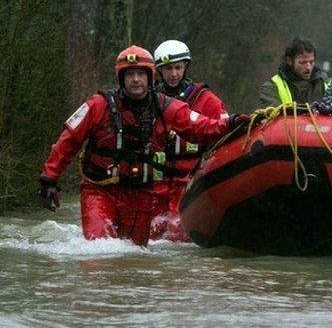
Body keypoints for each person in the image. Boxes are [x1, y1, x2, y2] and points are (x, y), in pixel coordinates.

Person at [37, 45, 246, 247]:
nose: (135, 80)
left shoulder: (165, 105)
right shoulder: (98, 105)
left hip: (140, 194)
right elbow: (68, 141)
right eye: (129, 75)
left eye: (140, 74)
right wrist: (49, 179)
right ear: (121, 78)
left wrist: (231, 122)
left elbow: (199, 126)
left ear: (149, 77)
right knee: (99, 249)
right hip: (100, 190)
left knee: (134, 254)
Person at [150, 40, 229, 242]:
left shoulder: (206, 100)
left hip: (189, 182)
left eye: (178, 67)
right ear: (159, 71)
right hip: (155, 183)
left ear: (186, 67)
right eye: (168, 69)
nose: (174, 74)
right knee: (149, 236)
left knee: (179, 238)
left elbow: (223, 133)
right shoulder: (149, 101)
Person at [259, 36, 330, 107]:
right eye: (302, 63)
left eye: (311, 62)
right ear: (289, 61)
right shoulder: (272, 88)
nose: (308, 67)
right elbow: (271, 114)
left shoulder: (326, 84)